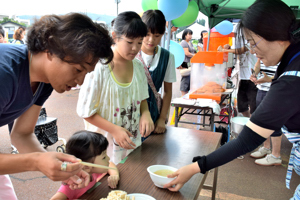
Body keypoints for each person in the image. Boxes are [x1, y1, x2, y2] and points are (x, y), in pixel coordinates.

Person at [164, 0, 300, 199]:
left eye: (253, 42)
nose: (252, 50)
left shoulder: (292, 80)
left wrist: (194, 168)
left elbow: (247, 140)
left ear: (278, 36)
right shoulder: (293, 60)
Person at [0, 13, 114, 199]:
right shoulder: (5, 74)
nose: (80, 81)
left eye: (87, 73)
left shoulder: (44, 81)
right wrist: (36, 161)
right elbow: (33, 157)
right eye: (78, 69)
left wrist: (64, 169)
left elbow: (21, 134)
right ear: (50, 49)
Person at [77, 11, 154, 165]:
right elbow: (86, 112)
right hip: (104, 150)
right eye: (130, 42)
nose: (135, 48)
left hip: (131, 145)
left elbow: (142, 98)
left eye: (139, 42)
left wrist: (145, 113)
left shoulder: (138, 66)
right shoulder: (99, 68)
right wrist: (114, 129)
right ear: (115, 36)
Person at [135, 10, 176, 135]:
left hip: (153, 115)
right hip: (131, 113)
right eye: (147, 34)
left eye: (157, 35)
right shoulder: (131, 53)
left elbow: (168, 91)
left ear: (163, 34)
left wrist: (162, 119)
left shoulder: (167, 57)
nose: (151, 40)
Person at [50, 131, 119, 200]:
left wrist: (114, 175)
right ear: (86, 166)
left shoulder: (93, 170)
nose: (108, 158)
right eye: (104, 157)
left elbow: (110, 164)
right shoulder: (71, 186)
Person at [249, 58, 282, 166]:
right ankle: (266, 148)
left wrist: (269, 79)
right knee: (262, 121)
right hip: (261, 88)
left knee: (274, 122)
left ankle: (276, 156)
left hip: (275, 90)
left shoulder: (281, 48)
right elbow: (258, 64)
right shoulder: (263, 49)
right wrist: (254, 74)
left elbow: (285, 75)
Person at [218, 38, 258, 117]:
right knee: (242, 107)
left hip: (253, 78)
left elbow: (242, 50)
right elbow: (236, 50)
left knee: (254, 107)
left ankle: (252, 124)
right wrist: (229, 48)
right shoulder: (239, 38)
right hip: (243, 77)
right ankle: (248, 122)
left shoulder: (251, 38)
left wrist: (224, 50)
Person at [179, 29, 196, 96]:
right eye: (189, 34)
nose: (190, 36)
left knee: (189, 79)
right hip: (185, 63)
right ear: (185, 35)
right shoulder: (183, 42)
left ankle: (187, 95)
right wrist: (194, 55)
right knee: (185, 79)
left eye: (191, 34)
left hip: (190, 63)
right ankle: (183, 95)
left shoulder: (190, 43)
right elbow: (186, 53)